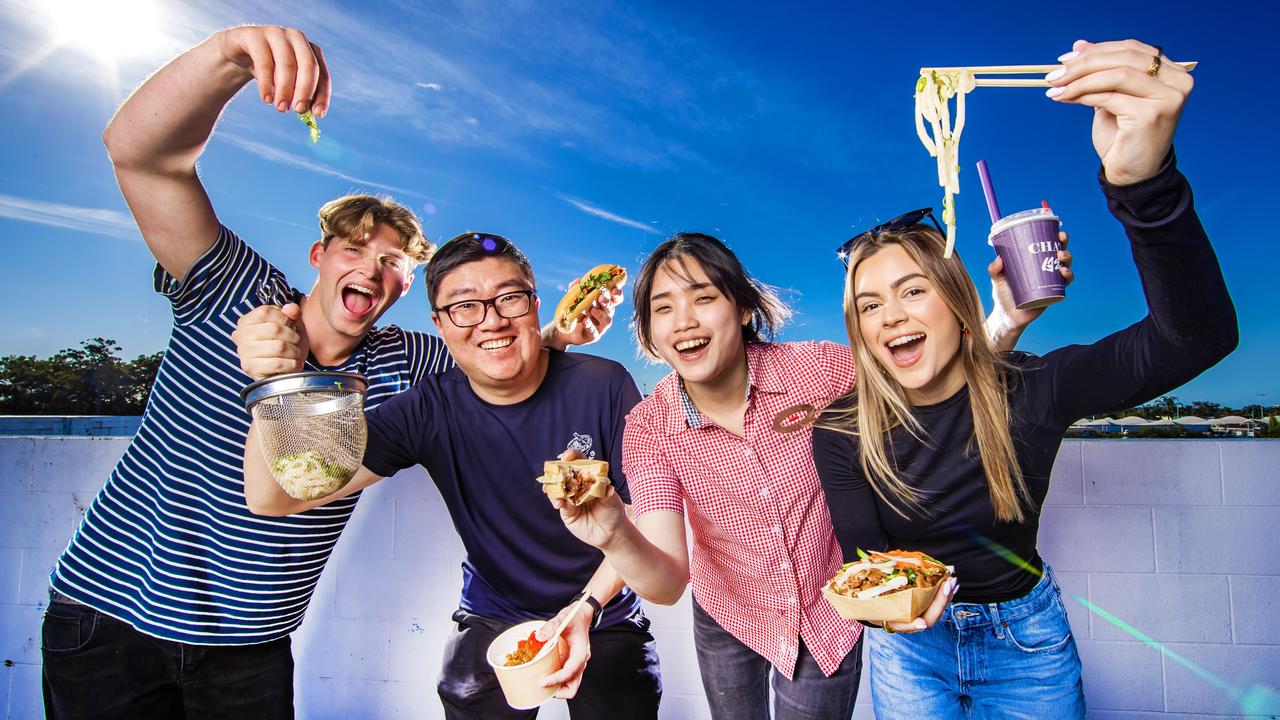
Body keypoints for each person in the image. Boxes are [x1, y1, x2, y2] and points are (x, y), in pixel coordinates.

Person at [41, 26, 611, 719]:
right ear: (319, 255)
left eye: (395, 262)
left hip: (253, 647)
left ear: (405, 288)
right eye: (354, 248)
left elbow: (492, 355)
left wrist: (553, 333)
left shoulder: (406, 360)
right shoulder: (234, 292)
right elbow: (140, 156)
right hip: (108, 618)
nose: (372, 266)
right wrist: (230, 54)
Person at [811, 39, 1235, 719]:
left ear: (958, 300)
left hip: (1026, 646)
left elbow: (1197, 336)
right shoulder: (840, 427)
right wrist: (894, 610)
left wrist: (1142, 184)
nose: (890, 317)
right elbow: (867, 561)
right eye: (868, 304)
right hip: (908, 653)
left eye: (913, 291)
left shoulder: (1033, 389)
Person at [544, 217, 1070, 714]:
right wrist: (613, 532)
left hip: (827, 611)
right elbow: (665, 582)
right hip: (730, 611)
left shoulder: (819, 369)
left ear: (744, 308)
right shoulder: (648, 427)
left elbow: (930, 380)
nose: (685, 321)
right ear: (650, 334)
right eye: (663, 308)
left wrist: (1005, 321)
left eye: (704, 298)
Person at [242, 232, 662, 719]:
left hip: (604, 609)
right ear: (439, 323)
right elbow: (272, 498)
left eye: (510, 298)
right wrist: (273, 383)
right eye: (465, 307)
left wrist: (586, 608)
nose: (492, 320)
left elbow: (641, 514)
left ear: (534, 305)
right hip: (493, 614)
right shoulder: (428, 408)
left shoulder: (604, 384)